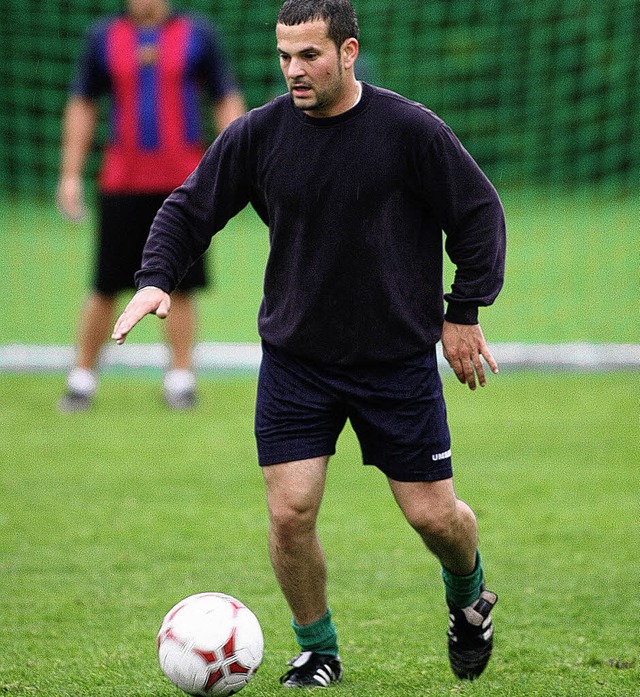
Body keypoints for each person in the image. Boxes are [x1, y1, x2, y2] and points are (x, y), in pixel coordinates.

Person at [113, 0, 505, 686]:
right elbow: (190, 206)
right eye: (284, 57)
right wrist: (154, 278)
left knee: (435, 517)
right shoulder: (259, 135)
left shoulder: (409, 130)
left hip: (395, 360)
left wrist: (463, 310)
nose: (294, 70)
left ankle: (468, 595)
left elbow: (477, 214)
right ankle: (317, 649)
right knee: (291, 512)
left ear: (349, 52)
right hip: (298, 359)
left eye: (310, 56)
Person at [57, 0, 245, 411]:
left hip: (184, 185)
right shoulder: (103, 37)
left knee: (181, 283)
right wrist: (69, 173)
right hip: (121, 183)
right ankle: (82, 378)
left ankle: (180, 379)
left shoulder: (199, 34)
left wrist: (239, 166)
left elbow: (226, 99)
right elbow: (82, 103)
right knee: (105, 283)